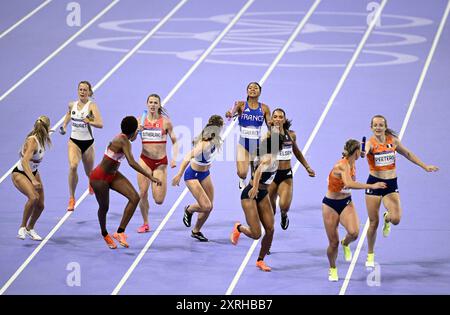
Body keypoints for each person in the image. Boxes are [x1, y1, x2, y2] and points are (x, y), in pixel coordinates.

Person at [363, 115, 439, 267]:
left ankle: (387, 218)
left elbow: (408, 154)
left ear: (385, 127)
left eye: (381, 125)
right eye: (375, 125)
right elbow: (364, 151)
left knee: (396, 219)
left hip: (390, 184)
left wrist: (425, 166)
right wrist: (362, 151)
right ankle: (370, 254)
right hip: (374, 184)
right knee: (373, 223)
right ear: (371, 127)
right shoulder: (370, 143)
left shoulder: (393, 141)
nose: (378, 127)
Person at [89, 116, 161, 249]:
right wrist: (150, 177)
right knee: (104, 208)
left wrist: (137, 131)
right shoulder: (124, 141)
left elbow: (131, 138)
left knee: (134, 197)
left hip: (113, 175)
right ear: (133, 131)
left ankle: (120, 232)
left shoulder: (124, 138)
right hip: (99, 178)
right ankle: (105, 233)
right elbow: (132, 162)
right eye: (137, 129)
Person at [322, 139, 386, 282]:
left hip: (346, 202)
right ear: (355, 152)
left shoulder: (353, 160)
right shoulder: (342, 165)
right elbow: (349, 183)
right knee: (333, 243)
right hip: (330, 205)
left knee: (354, 232)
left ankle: (346, 243)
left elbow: (362, 153)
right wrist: (372, 186)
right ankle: (332, 268)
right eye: (359, 152)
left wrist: (363, 152)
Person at [230, 132, 284, 272]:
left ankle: (260, 260)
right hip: (250, 194)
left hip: (263, 193)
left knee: (270, 229)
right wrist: (254, 187)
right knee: (256, 234)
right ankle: (239, 228)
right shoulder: (268, 158)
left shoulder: (267, 151)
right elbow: (259, 170)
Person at [172, 115, 224, 242]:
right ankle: (189, 209)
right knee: (206, 206)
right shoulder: (205, 144)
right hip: (192, 175)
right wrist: (179, 174)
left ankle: (196, 231)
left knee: (209, 207)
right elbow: (187, 156)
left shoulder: (216, 139)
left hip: (205, 174)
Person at [136, 94, 178, 233]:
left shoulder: (166, 122)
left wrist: (174, 158)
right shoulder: (140, 121)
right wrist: (137, 131)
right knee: (142, 193)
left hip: (160, 163)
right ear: (147, 104)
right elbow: (131, 139)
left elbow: (175, 141)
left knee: (159, 200)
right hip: (144, 161)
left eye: (155, 102)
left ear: (159, 105)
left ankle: (148, 216)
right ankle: (145, 223)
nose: (153, 105)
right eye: (150, 102)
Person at [268, 108, 315, 230]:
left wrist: (307, 167)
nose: (278, 119)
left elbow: (297, 152)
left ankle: (284, 215)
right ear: (272, 120)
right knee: (270, 212)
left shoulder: (291, 135)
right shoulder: (268, 135)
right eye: (275, 117)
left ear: (284, 120)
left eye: (280, 117)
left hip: (285, 175)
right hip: (271, 175)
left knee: (284, 205)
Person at [60, 81, 103, 211]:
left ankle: (91, 181)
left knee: (89, 173)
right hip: (74, 141)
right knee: (73, 166)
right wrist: (64, 125)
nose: (82, 92)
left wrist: (89, 120)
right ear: (77, 91)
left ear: (89, 92)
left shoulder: (91, 106)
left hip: (88, 143)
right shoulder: (72, 104)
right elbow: (69, 114)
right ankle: (72, 198)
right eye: (80, 89)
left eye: (85, 90)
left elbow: (100, 124)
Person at [12, 116, 52, 241]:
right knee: (33, 197)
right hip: (20, 173)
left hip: (34, 172)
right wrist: (33, 180)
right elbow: (24, 162)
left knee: (40, 205)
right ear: (46, 128)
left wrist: (47, 132)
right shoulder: (32, 141)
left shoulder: (41, 138)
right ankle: (22, 227)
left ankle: (30, 228)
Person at [225, 82, 271, 189]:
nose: (252, 89)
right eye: (250, 88)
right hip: (243, 144)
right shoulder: (241, 104)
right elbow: (231, 113)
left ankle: (253, 192)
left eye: (255, 88)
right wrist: (229, 114)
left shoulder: (264, 108)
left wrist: (273, 127)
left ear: (260, 92)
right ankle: (241, 180)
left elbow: (269, 125)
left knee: (256, 176)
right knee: (242, 172)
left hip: (257, 145)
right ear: (247, 91)